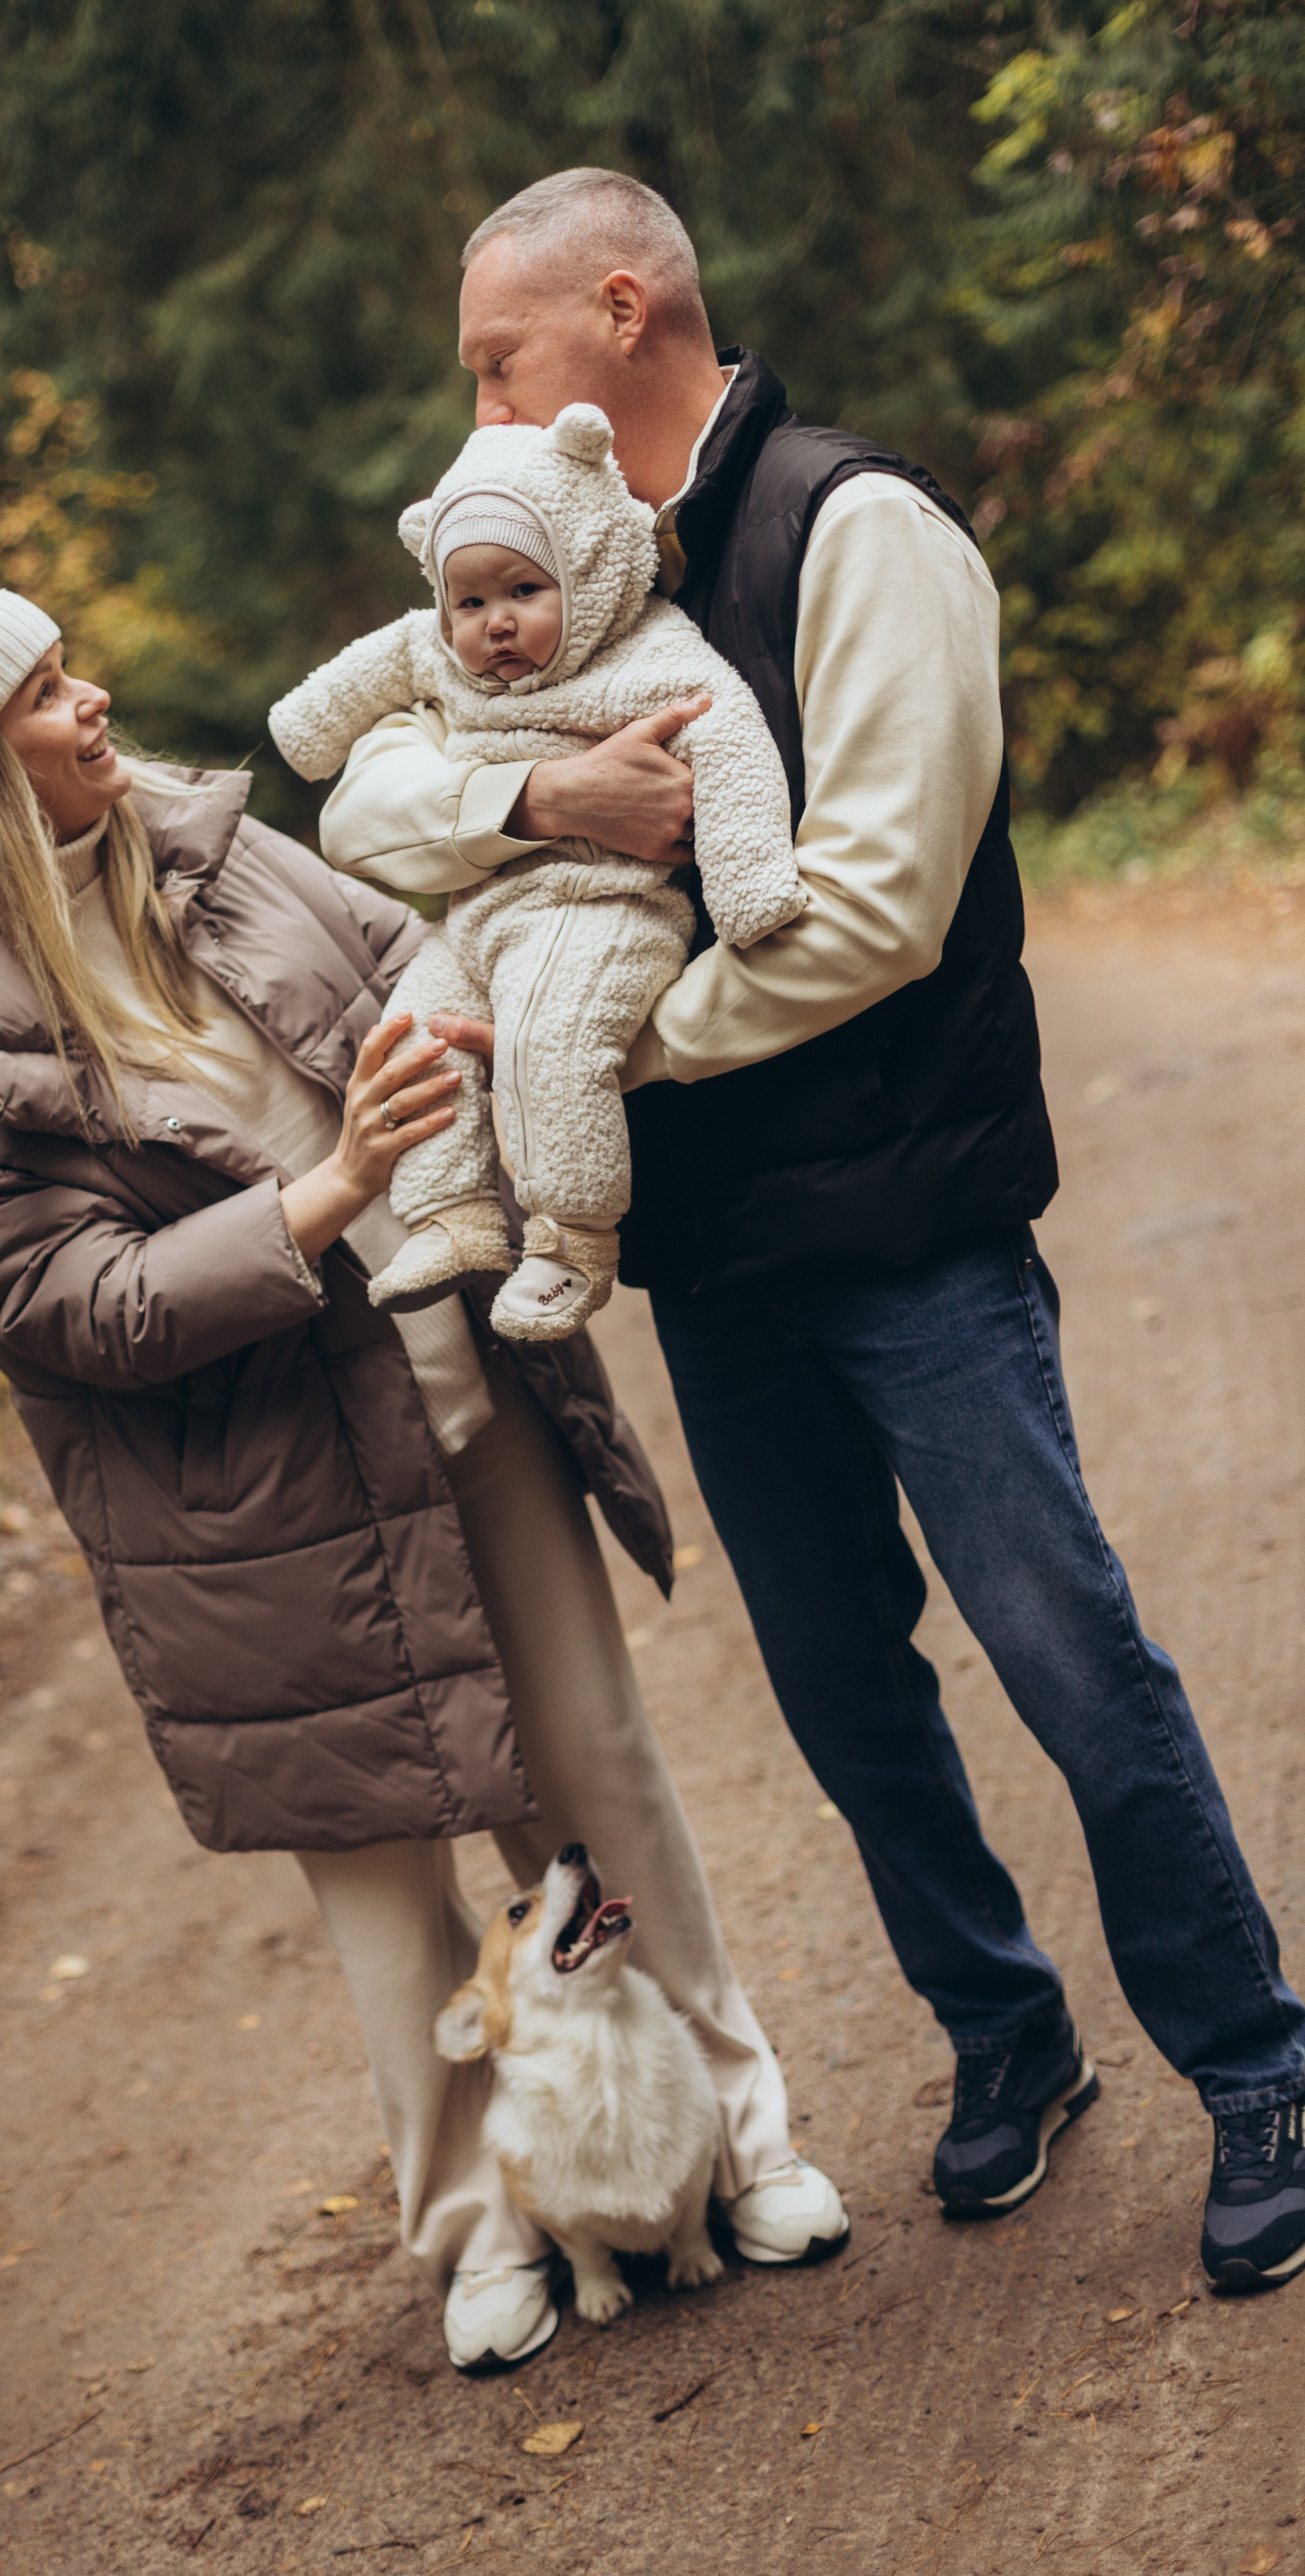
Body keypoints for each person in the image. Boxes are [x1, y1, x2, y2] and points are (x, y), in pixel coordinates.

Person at [314, 168, 1305, 2292]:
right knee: (848, 1695)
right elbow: (369, 793)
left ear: (618, 308)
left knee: (1067, 1653)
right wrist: (534, 811)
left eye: (494, 354)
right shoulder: (542, 580)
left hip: (913, 1229)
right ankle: (1004, 2038)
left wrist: (592, 1049)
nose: (470, 397)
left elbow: (871, 901)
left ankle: (1257, 2066)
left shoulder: (858, 526)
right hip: (727, 1263)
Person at [0, 572, 850, 2373]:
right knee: (380, 1883)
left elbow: (419, 963)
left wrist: (484, 1016)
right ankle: (473, 2238)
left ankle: (738, 2141)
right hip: (253, 1517)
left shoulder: (232, 861)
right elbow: (67, 1309)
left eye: (72, 665)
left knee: (599, 1794)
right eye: (49, 692)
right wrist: (325, 1198)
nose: (95, 699)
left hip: (472, 1406)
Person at [266, 398, 798, 1343]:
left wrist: (751, 879)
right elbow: (336, 713)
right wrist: (302, 730)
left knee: (549, 1043)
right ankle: (455, 1218)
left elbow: (731, 736)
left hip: (603, 908)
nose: (496, 625)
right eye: (470, 603)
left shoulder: (643, 652)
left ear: (585, 573)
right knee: (410, 1039)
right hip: (478, 921)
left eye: (524, 591)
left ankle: (572, 1242)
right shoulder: (440, 655)